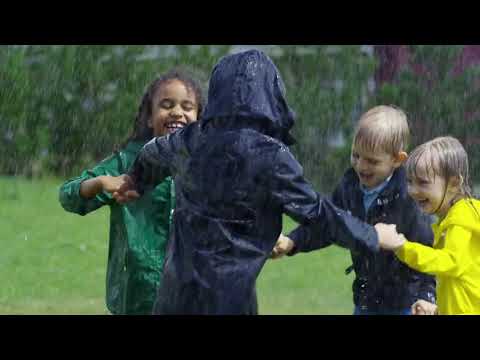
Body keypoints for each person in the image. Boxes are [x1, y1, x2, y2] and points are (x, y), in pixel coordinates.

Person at [108, 49, 399, 315]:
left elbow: (152, 152)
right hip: (229, 300)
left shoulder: (189, 139)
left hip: (174, 297)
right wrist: (373, 236)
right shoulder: (270, 156)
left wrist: (136, 180)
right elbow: (318, 213)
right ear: (272, 97)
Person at [58, 69, 204, 314]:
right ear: (149, 117)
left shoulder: (207, 164)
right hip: (135, 300)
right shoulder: (127, 162)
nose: (177, 112)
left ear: (200, 117)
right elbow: (68, 196)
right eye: (166, 105)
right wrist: (99, 183)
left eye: (187, 106)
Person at [272, 106, 436, 315]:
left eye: (372, 161)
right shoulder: (349, 185)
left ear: (397, 160)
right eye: (356, 155)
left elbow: (428, 248)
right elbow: (328, 223)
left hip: (404, 304)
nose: (361, 166)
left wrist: (427, 295)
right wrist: (292, 241)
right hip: (365, 300)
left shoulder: (408, 197)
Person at [378, 136, 480, 315]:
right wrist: (438, 311)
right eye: (410, 181)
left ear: (455, 183)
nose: (413, 190)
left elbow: (450, 262)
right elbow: (464, 281)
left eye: (423, 182)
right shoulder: (454, 217)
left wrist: (402, 246)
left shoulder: (461, 219)